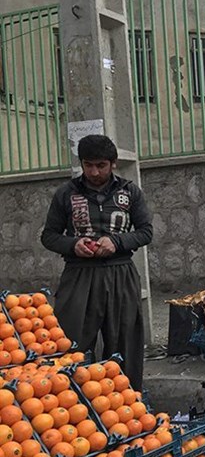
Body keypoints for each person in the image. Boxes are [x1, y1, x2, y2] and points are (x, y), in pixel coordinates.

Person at [41, 134, 152, 391]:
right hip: (79, 275)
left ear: (112, 164)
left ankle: (127, 403)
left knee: (125, 342)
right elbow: (49, 236)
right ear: (81, 163)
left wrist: (117, 242)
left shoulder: (130, 192)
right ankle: (73, 403)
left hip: (120, 274)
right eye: (88, 165)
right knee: (72, 342)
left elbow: (146, 231)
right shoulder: (65, 193)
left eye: (100, 165)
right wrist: (73, 245)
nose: (94, 171)